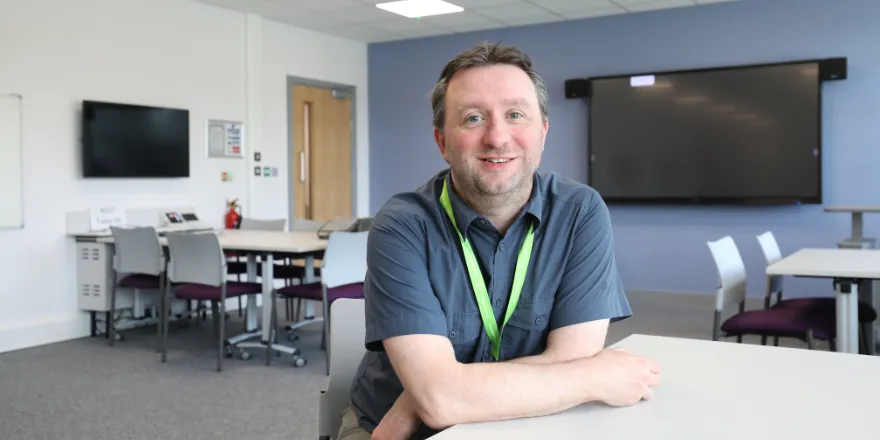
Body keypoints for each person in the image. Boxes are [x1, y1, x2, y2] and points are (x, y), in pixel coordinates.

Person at [337, 41, 661, 440]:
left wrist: (429, 396)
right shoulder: (402, 225)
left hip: (530, 423)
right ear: (442, 142)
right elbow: (440, 404)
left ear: (542, 132)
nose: (497, 137)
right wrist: (593, 378)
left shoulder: (580, 211)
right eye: (473, 118)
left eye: (515, 114)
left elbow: (573, 358)